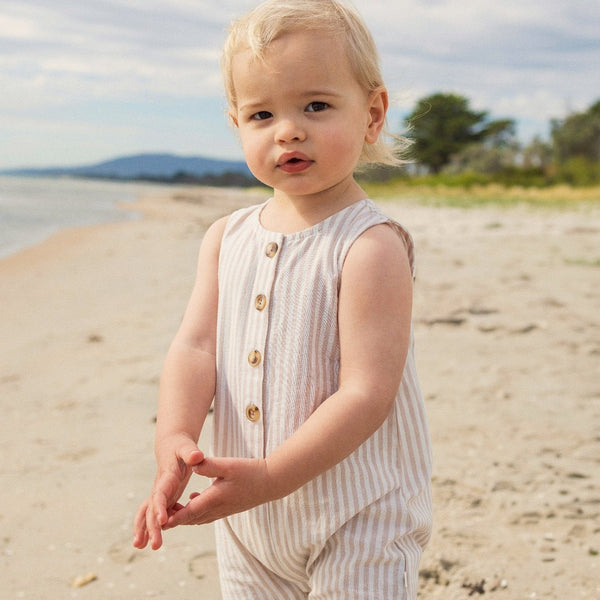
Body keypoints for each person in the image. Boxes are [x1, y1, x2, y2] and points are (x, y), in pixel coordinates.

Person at [133, 0, 432, 597]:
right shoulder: (227, 237)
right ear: (236, 124)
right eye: (261, 113)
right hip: (248, 519)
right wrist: (174, 439)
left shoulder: (369, 246)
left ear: (372, 115)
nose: (288, 129)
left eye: (316, 105)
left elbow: (367, 392)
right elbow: (193, 349)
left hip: (360, 514)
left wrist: (273, 475)